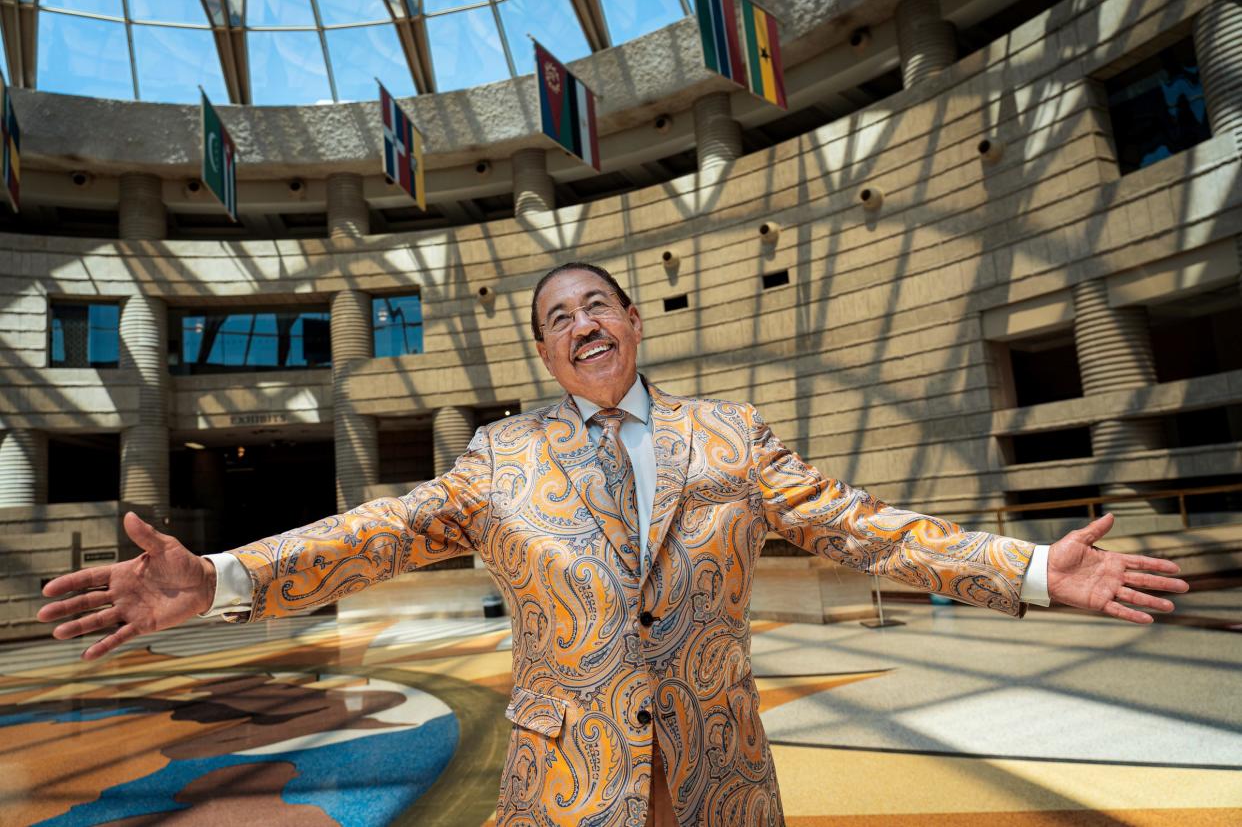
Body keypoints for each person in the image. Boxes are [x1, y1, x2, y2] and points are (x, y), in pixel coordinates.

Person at [39, 262, 1188, 827]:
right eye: (558, 319)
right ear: (546, 355)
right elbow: (375, 534)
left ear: (634, 323)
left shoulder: (730, 436)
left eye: (599, 305)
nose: (582, 324)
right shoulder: (498, 458)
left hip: (723, 783)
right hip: (563, 789)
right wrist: (226, 579)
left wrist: (1033, 568)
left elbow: (862, 528)